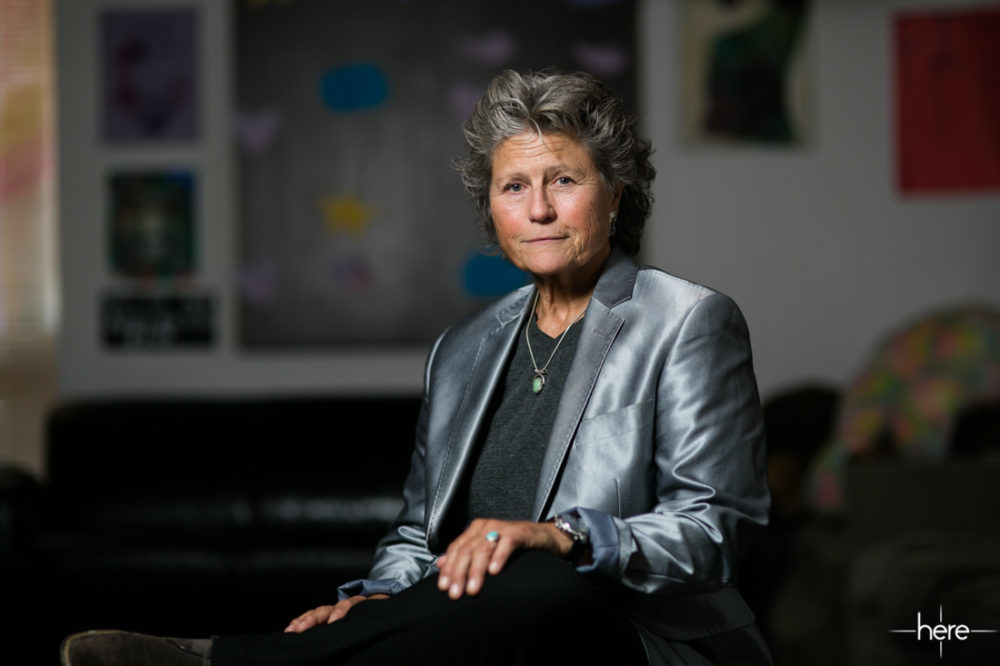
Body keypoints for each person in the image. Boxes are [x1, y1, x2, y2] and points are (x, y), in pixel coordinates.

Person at [61, 69, 772, 665]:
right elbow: (416, 537)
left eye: (563, 179)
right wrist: (373, 602)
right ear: (491, 207)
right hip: (484, 636)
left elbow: (715, 529)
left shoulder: (686, 321)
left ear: (614, 193)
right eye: (513, 187)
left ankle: (229, 663)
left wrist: (564, 536)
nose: (539, 209)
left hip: (638, 636)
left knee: (545, 575)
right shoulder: (461, 350)